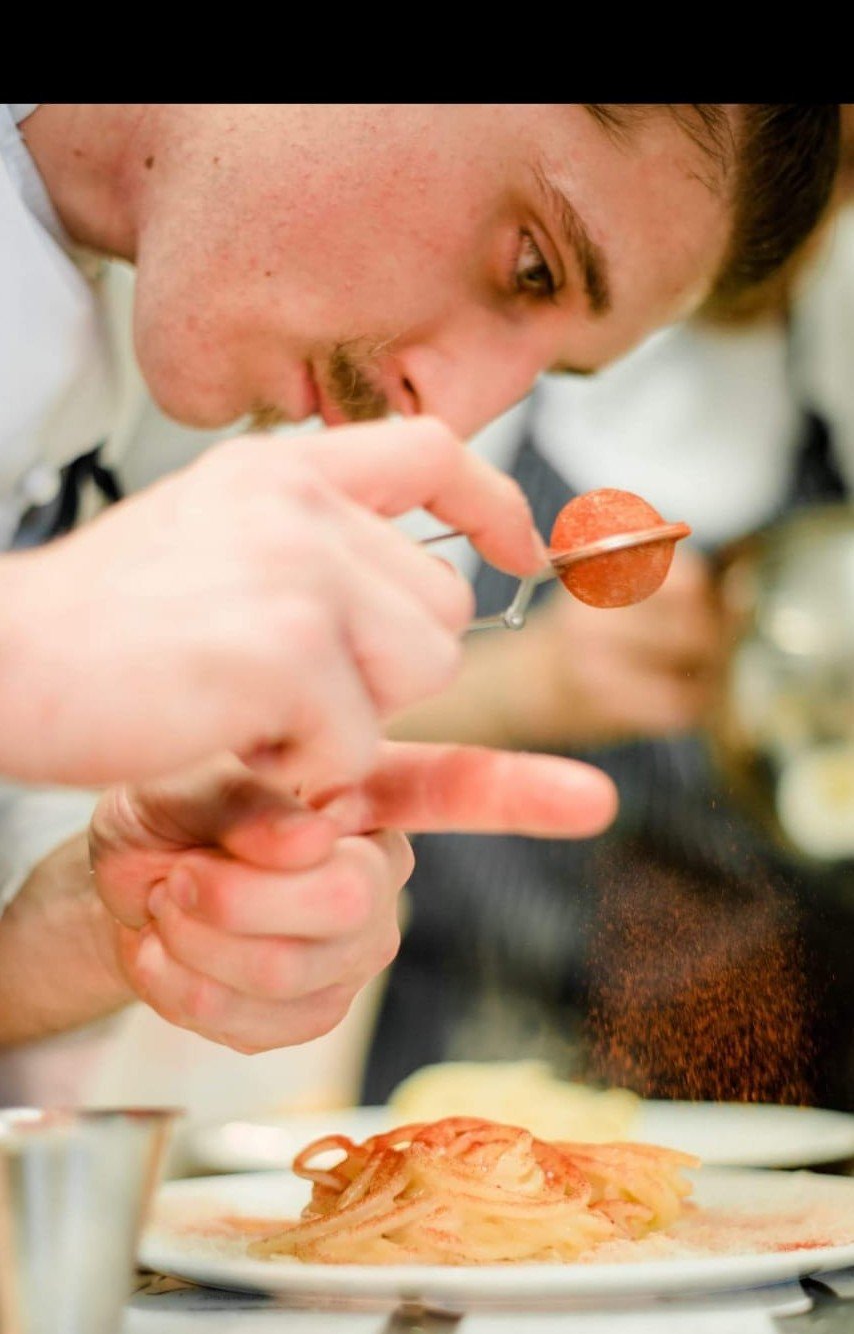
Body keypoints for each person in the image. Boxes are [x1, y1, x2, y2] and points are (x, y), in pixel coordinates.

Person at [0, 103, 840, 1077]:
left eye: (546, 368)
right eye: (530, 263)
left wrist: (101, 929)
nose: (447, 412)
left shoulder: (158, 389)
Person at [365, 170, 854, 1110]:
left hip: (784, 1082)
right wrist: (529, 681)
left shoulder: (835, 351)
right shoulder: (469, 368)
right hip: (487, 1048)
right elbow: (294, 716)